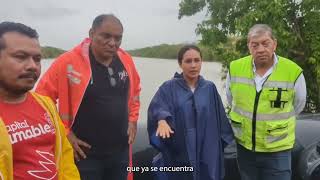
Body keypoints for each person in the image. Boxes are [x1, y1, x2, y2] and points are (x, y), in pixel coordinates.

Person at [36, 14, 141, 180]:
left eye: (118, 38)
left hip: (120, 152)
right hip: (84, 155)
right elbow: (41, 100)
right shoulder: (68, 62)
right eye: (106, 36)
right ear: (92, 34)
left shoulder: (126, 60)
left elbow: (135, 92)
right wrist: (66, 134)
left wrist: (133, 120)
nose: (113, 43)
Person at [226, 24, 307, 180]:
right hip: (245, 149)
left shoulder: (292, 71)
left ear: (274, 44)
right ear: (248, 46)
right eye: (255, 45)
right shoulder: (235, 68)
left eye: (265, 43)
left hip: (278, 151)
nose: (260, 49)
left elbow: (298, 104)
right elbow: (231, 100)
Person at [0, 22, 80, 180]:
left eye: (37, 59)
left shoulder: (46, 104)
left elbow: (65, 157)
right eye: (20, 57)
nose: (32, 66)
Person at [148, 45, 234, 180]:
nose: (193, 65)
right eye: (188, 61)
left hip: (206, 149)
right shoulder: (169, 87)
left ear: (201, 62)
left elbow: (220, 120)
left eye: (197, 60)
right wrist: (162, 120)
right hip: (180, 149)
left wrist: (216, 147)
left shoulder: (209, 88)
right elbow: (159, 107)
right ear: (180, 64)